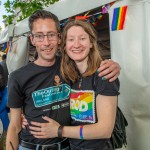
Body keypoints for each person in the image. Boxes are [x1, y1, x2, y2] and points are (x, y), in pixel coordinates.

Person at [6, 10, 120, 150]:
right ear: (32, 39)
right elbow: (15, 125)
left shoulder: (70, 67)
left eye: (51, 35)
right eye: (39, 36)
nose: (46, 42)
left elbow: (91, 68)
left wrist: (113, 66)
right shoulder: (18, 77)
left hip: (67, 145)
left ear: (59, 38)